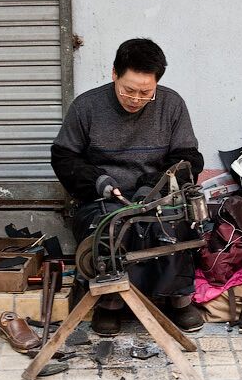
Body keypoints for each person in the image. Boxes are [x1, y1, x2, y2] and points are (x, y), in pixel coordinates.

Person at [51, 38, 204, 336]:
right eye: (129, 90)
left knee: (172, 224)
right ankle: (110, 305)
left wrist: (154, 188)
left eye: (145, 92)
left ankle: (178, 300)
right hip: (103, 197)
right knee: (109, 227)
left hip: (155, 195)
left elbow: (187, 158)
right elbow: (63, 156)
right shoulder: (86, 106)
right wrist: (99, 182)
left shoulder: (172, 105)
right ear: (114, 75)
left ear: (156, 83)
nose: (136, 98)